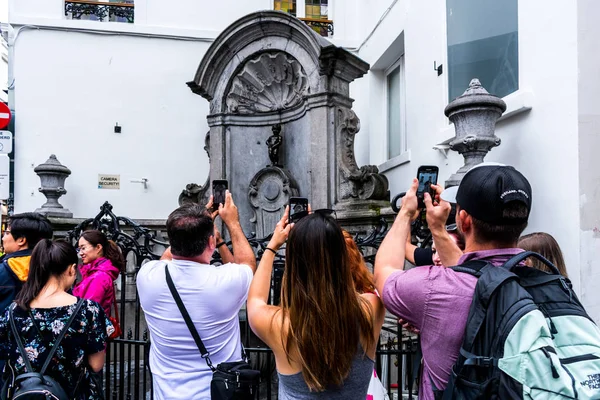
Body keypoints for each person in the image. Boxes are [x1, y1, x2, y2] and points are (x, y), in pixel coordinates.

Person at [374, 162, 532, 400]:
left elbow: (384, 270)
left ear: (464, 220)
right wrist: (437, 230)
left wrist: (406, 212)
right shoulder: (542, 279)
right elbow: (477, 273)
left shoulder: (435, 288)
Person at [247, 208, 385, 399]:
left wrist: (272, 246)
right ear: (342, 258)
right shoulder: (370, 309)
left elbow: (255, 300)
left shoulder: (279, 326)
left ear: (294, 265)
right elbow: (387, 269)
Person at [136, 191, 256, 400]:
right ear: (211, 243)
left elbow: (168, 257)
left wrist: (197, 223)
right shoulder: (221, 282)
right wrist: (233, 223)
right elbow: (247, 264)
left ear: (171, 241)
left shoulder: (147, 276)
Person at [0, 240, 109, 399]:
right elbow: (96, 364)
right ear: (72, 270)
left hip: (24, 394)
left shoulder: (12, 311)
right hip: (71, 393)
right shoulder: (88, 311)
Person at [0, 212, 53, 312]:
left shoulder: (3, 271)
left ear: (21, 240)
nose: (3, 238)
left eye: (7, 233)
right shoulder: (56, 268)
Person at [73, 230, 126, 316]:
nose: (80, 253)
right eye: (79, 249)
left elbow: (88, 311)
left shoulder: (99, 276)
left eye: (83, 248)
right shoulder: (96, 272)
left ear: (98, 247)